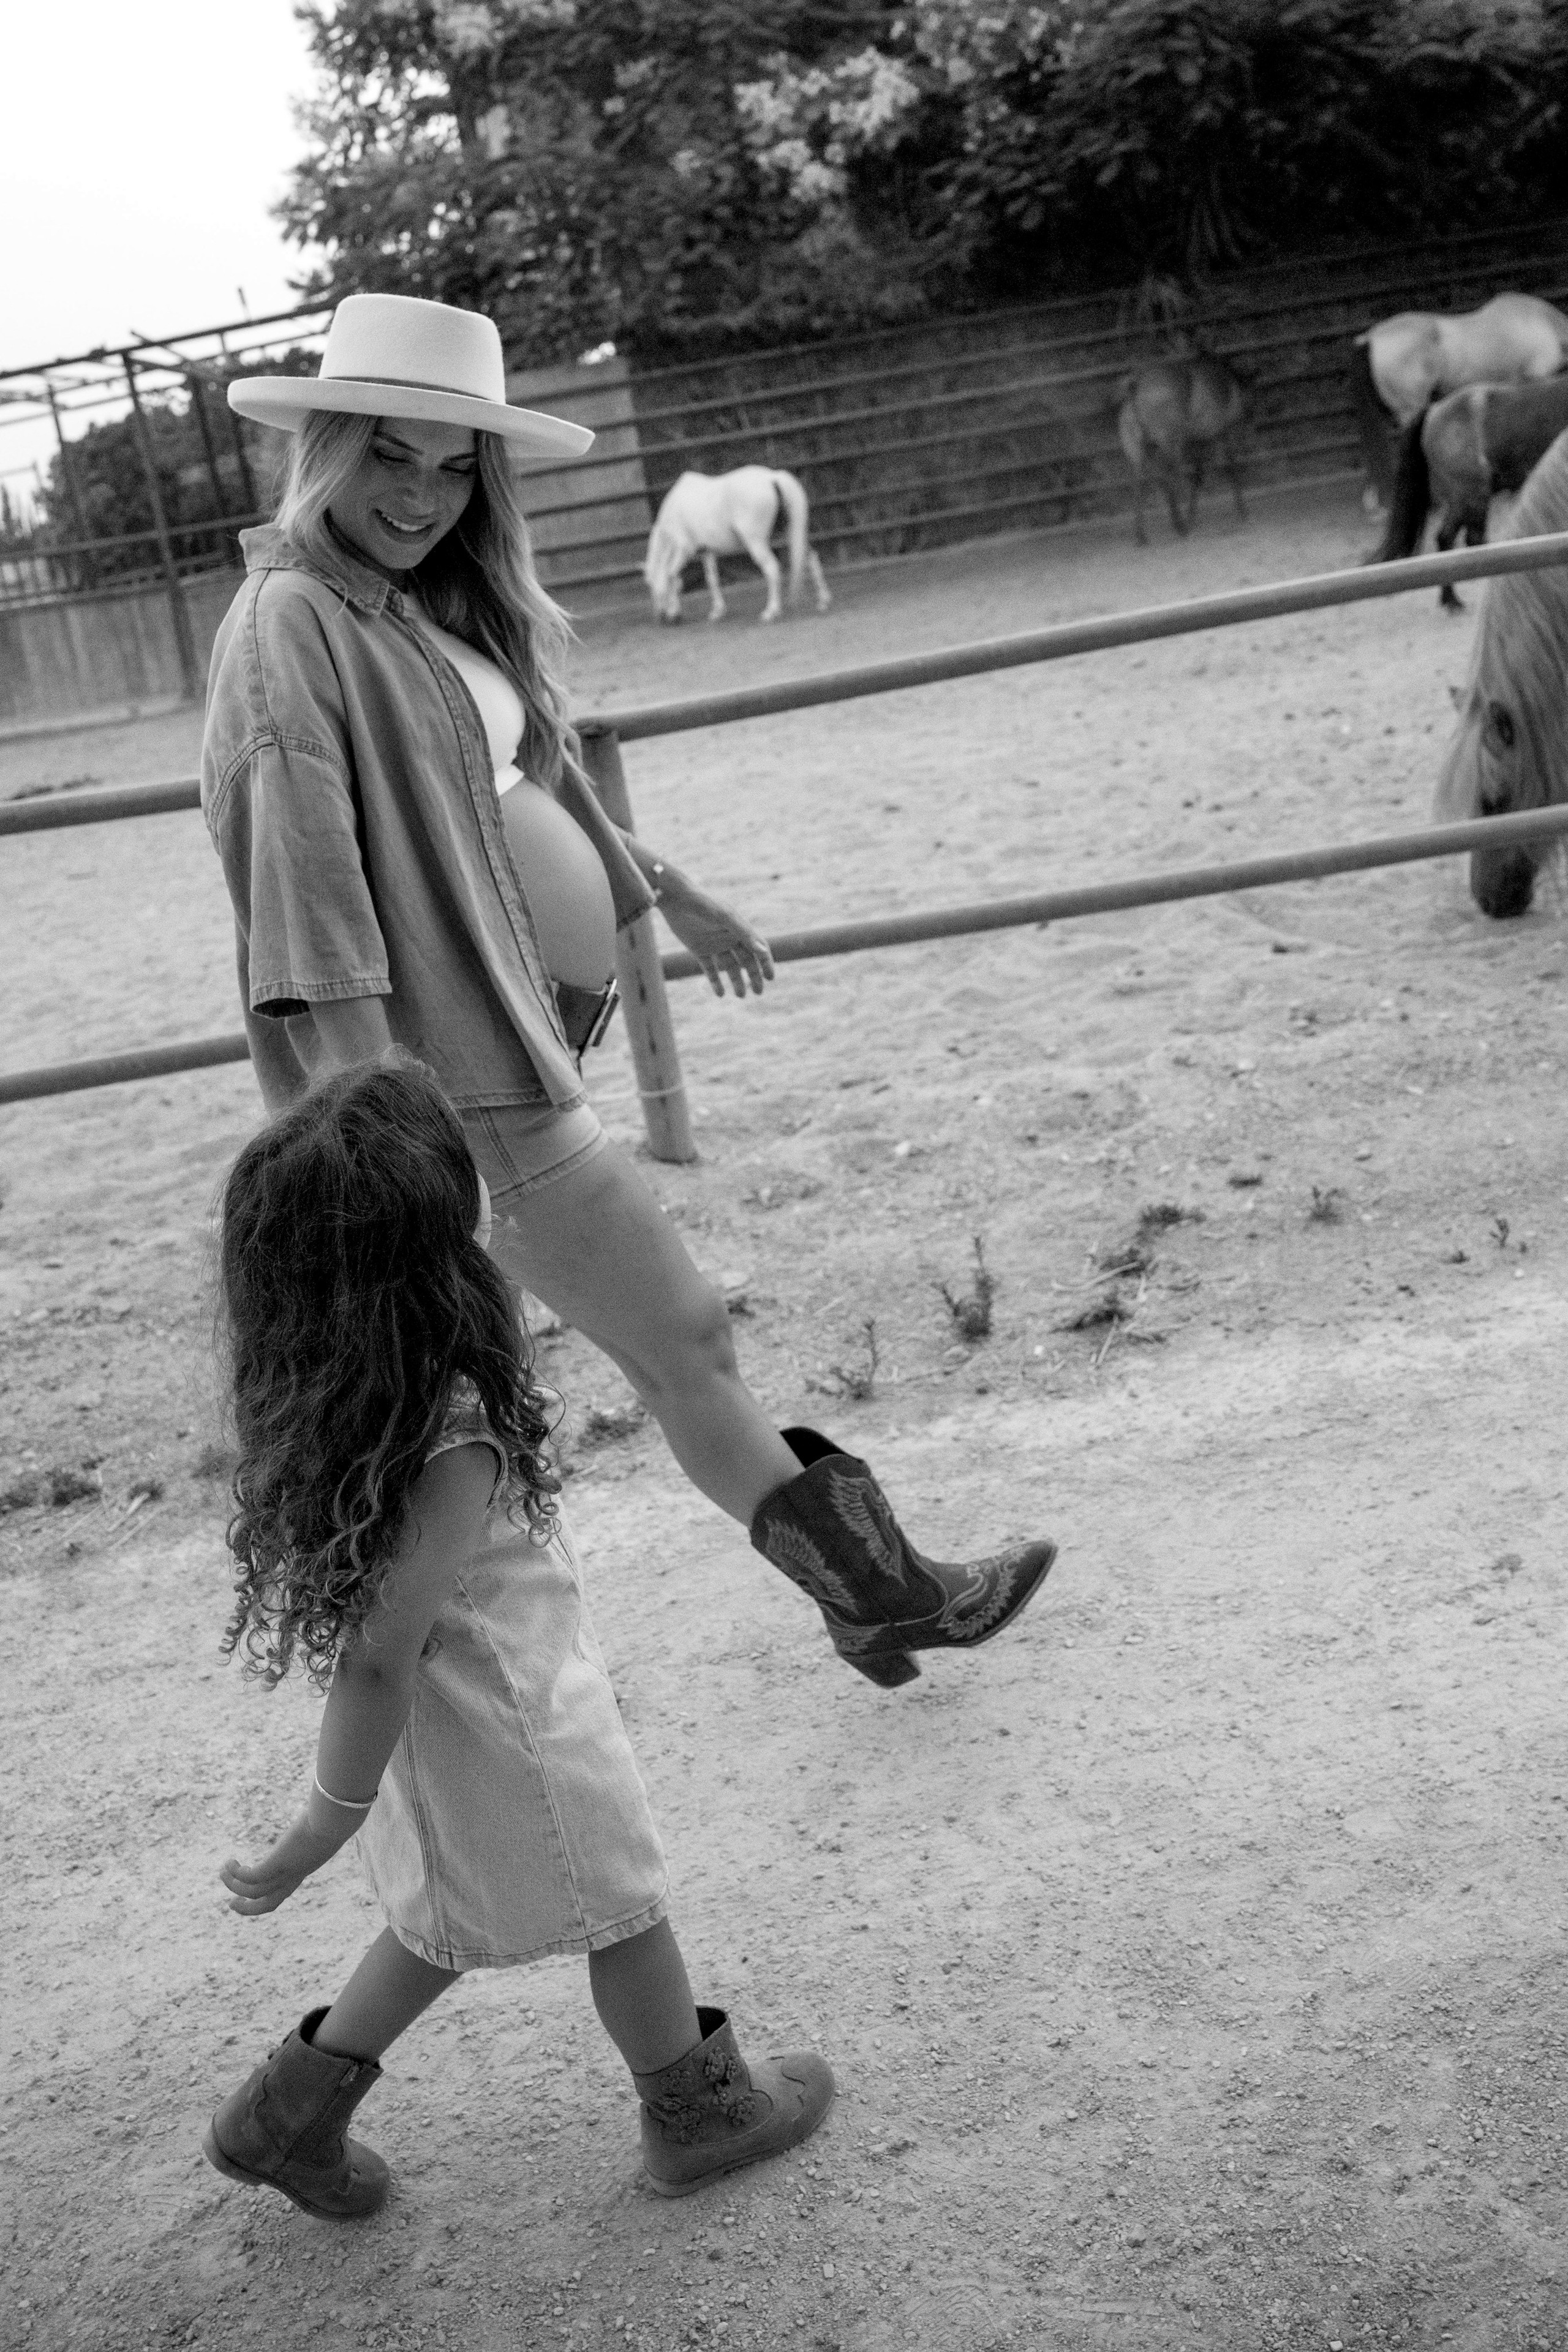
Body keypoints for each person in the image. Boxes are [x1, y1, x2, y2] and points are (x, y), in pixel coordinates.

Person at [205, 290, 1055, 1691]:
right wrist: (379, 1133)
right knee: (676, 1337)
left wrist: (660, 889)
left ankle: (865, 1598)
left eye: (452, 463)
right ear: (330, 447)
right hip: (455, 1084)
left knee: (656, 1350)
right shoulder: (292, 618)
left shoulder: (410, 603)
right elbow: (306, 881)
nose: (421, 492)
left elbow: (514, 783)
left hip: (516, 1041)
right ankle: (876, 1593)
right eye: (391, 456)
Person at [202, 1061, 835, 2216]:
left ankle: (286, 2116)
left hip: (448, 1728)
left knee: (441, 1922)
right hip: (513, 1724)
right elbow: (379, 1654)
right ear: (445, 1232)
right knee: (625, 1903)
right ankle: (701, 2115)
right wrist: (315, 1831)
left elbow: (387, 1648)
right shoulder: (450, 1430)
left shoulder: (353, 1389)